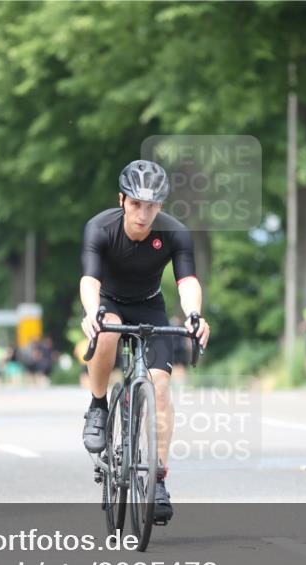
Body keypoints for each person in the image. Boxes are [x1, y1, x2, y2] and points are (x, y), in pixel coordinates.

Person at [79, 159, 210, 524]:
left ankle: (157, 478)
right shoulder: (100, 228)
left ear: (161, 206)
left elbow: (187, 281)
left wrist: (194, 315)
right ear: (122, 200)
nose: (143, 213)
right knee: (106, 331)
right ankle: (98, 405)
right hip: (110, 303)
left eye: (151, 205)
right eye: (136, 203)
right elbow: (89, 279)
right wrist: (92, 312)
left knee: (163, 389)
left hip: (150, 306)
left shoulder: (175, 233)